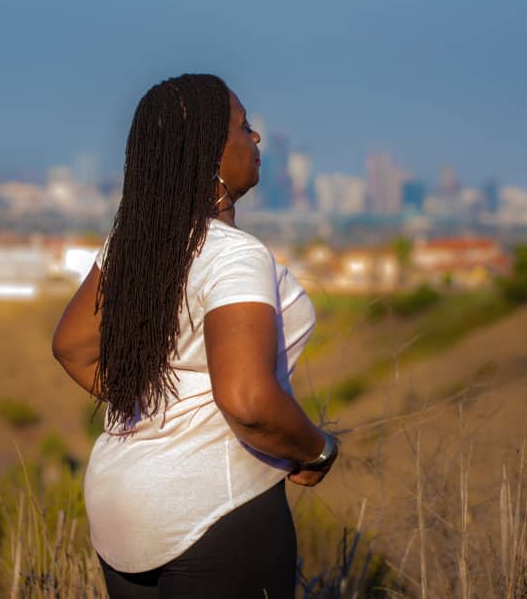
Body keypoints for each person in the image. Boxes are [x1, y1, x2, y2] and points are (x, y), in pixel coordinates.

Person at [52, 73, 338, 598]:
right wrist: (317, 449)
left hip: (121, 506)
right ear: (209, 150)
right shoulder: (236, 255)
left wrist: (155, 405)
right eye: (244, 126)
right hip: (215, 510)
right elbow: (249, 401)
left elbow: (71, 347)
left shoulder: (132, 243)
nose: (256, 139)